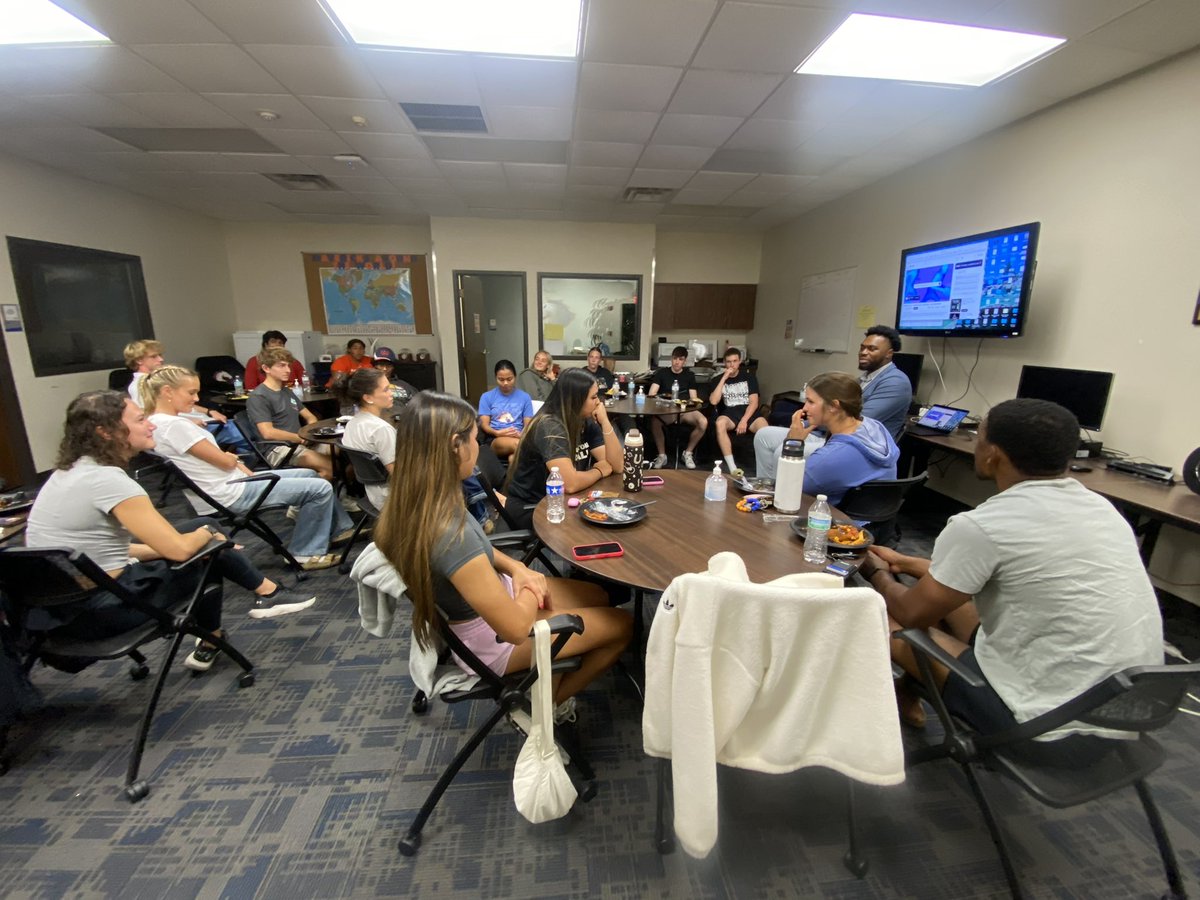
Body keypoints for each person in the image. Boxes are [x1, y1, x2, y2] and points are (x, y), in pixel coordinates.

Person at [856, 399, 1163, 748]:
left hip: (1043, 728)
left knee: (881, 618)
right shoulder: (1102, 509)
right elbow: (1012, 576)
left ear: (993, 455)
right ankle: (908, 693)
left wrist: (878, 572)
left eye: (980, 439)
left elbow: (911, 612)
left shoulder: (982, 526)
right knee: (943, 601)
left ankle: (898, 699)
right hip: (1126, 714)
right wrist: (909, 563)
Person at [23, 391, 316, 672]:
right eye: (139, 420)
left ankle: (260, 598)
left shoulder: (66, 473)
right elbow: (180, 551)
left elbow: (94, 552)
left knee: (206, 532)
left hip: (55, 612)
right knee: (207, 551)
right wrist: (209, 537)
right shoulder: (109, 482)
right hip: (104, 611)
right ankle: (223, 631)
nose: (150, 424)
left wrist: (204, 534)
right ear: (105, 432)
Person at [375, 391, 632, 707]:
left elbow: (477, 554)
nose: (477, 447)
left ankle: (554, 674)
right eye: (474, 439)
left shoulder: (422, 502)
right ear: (455, 446)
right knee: (623, 625)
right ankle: (546, 709)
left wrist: (517, 568)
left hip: (496, 596)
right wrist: (530, 588)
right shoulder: (447, 532)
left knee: (600, 597)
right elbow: (515, 628)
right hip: (492, 640)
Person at [144, 366, 353, 571]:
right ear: (167, 392)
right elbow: (225, 461)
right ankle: (304, 552)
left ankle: (337, 529)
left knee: (309, 474)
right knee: (320, 488)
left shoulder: (156, 423)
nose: (197, 399)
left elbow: (218, 459)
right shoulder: (175, 426)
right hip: (231, 491)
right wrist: (230, 458)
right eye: (191, 392)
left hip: (227, 483)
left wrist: (230, 459)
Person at [753, 325, 913, 479]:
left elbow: (854, 420)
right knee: (764, 435)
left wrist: (805, 427)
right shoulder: (863, 378)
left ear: (889, 354)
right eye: (862, 347)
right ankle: (766, 489)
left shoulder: (896, 382)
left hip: (855, 445)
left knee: (783, 449)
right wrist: (805, 425)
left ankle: (780, 496)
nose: (863, 352)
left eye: (872, 349)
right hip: (828, 433)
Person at [504, 368, 624, 530]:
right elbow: (570, 484)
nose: (598, 403)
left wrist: (605, 422)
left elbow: (617, 466)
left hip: (563, 501)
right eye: (593, 397)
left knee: (614, 515)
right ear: (576, 400)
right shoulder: (549, 426)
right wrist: (599, 471)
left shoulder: (584, 419)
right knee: (600, 526)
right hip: (534, 507)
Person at [781, 372, 898, 508]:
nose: (804, 408)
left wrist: (793, 442)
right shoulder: (875, 426)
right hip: (875, 520)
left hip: (838, 524)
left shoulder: (829, 459)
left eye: (811, 402)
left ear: (834, 406)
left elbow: (787, 490)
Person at [246, 347, 335, 481]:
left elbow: (310, 417)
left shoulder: (286, 391)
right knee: (331, 465)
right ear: (266, 368)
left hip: (299, 442)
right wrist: (299, 438)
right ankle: (308, 495)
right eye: (281, 366)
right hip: (278, 449)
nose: (288, 370)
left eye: (288, 365)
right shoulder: (259, 396)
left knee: (345, 452)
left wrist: (310, 434)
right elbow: (268, 433)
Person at [336, 367, 397, 513]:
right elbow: (397, 473)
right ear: (368, 397)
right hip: (391, 498)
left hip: (372, 494)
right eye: (386, 390)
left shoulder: (352, 424)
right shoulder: (381, 429)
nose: (391, 393)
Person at [707, 346, 765, 477]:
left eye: (734, 361)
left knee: (765, 429)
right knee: (720, 423)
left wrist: (744, 420)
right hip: (730, 413)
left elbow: (754, 402)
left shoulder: (749, 378)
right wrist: (724, 378)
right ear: (725, 363)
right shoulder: (717, 379)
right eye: (728, 362)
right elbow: (714, 401)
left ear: (740, 362)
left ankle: (764, 466)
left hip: (749, 413)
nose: (731, 364)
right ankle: (732, 466)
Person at [646, 346, 705, 469]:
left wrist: (690, 403)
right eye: (674, 358)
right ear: (671, 359)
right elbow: (651, 394)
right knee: (655, 422)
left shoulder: (689, 375)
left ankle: (688, 452)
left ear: (685, 361)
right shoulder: (662, 373)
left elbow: (694, 398)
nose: (677, 362)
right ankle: (662, 455)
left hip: (685, 410)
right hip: (667, 410)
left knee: (703, 422)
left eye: (680, 359)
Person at [477, 359, 534, 460]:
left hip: (518, 436)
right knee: (518, 446)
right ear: (496, 378)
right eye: (501, 379)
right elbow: (484, 425)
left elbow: (528, 424)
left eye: (509, 379)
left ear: (515, 377)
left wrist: (521, 434)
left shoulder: (525, 397)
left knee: (513, 459)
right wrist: (497, 433)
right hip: (496, 438)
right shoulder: (487, 397)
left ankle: (510, 476)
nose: (505, 383)